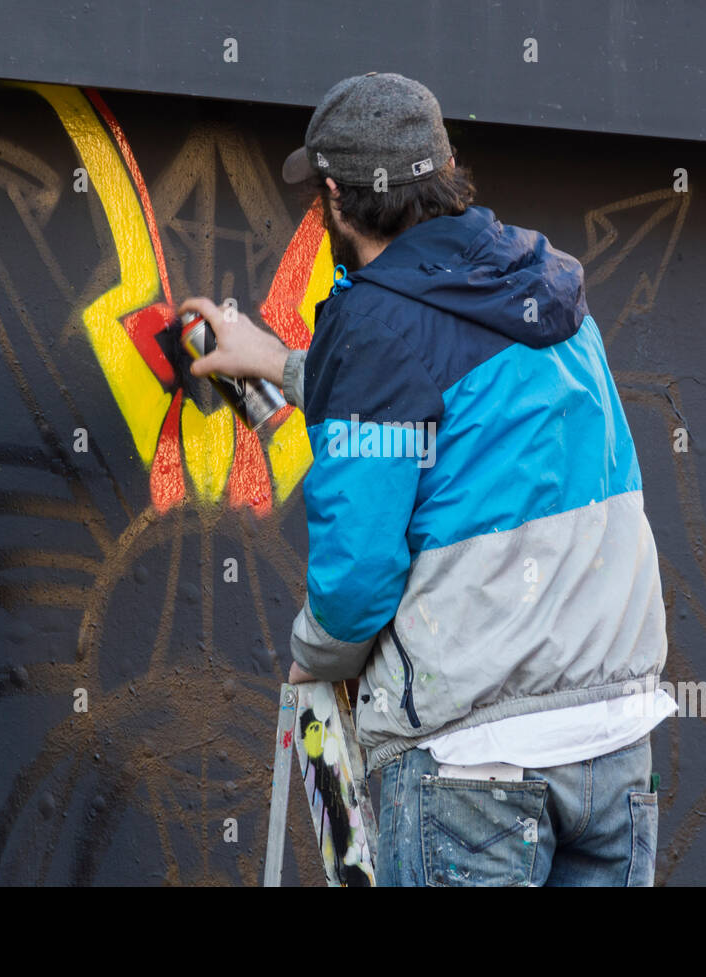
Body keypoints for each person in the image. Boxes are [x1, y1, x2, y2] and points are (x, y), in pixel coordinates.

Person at [179, 72, 673, 887]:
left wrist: (313, 656)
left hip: (477, 766)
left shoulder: (373, 324)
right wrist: (282, 364)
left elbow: (357, 585)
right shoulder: (543, 288)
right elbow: (457, 405)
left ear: (334, 198)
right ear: (446, 170)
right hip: (616, 746)